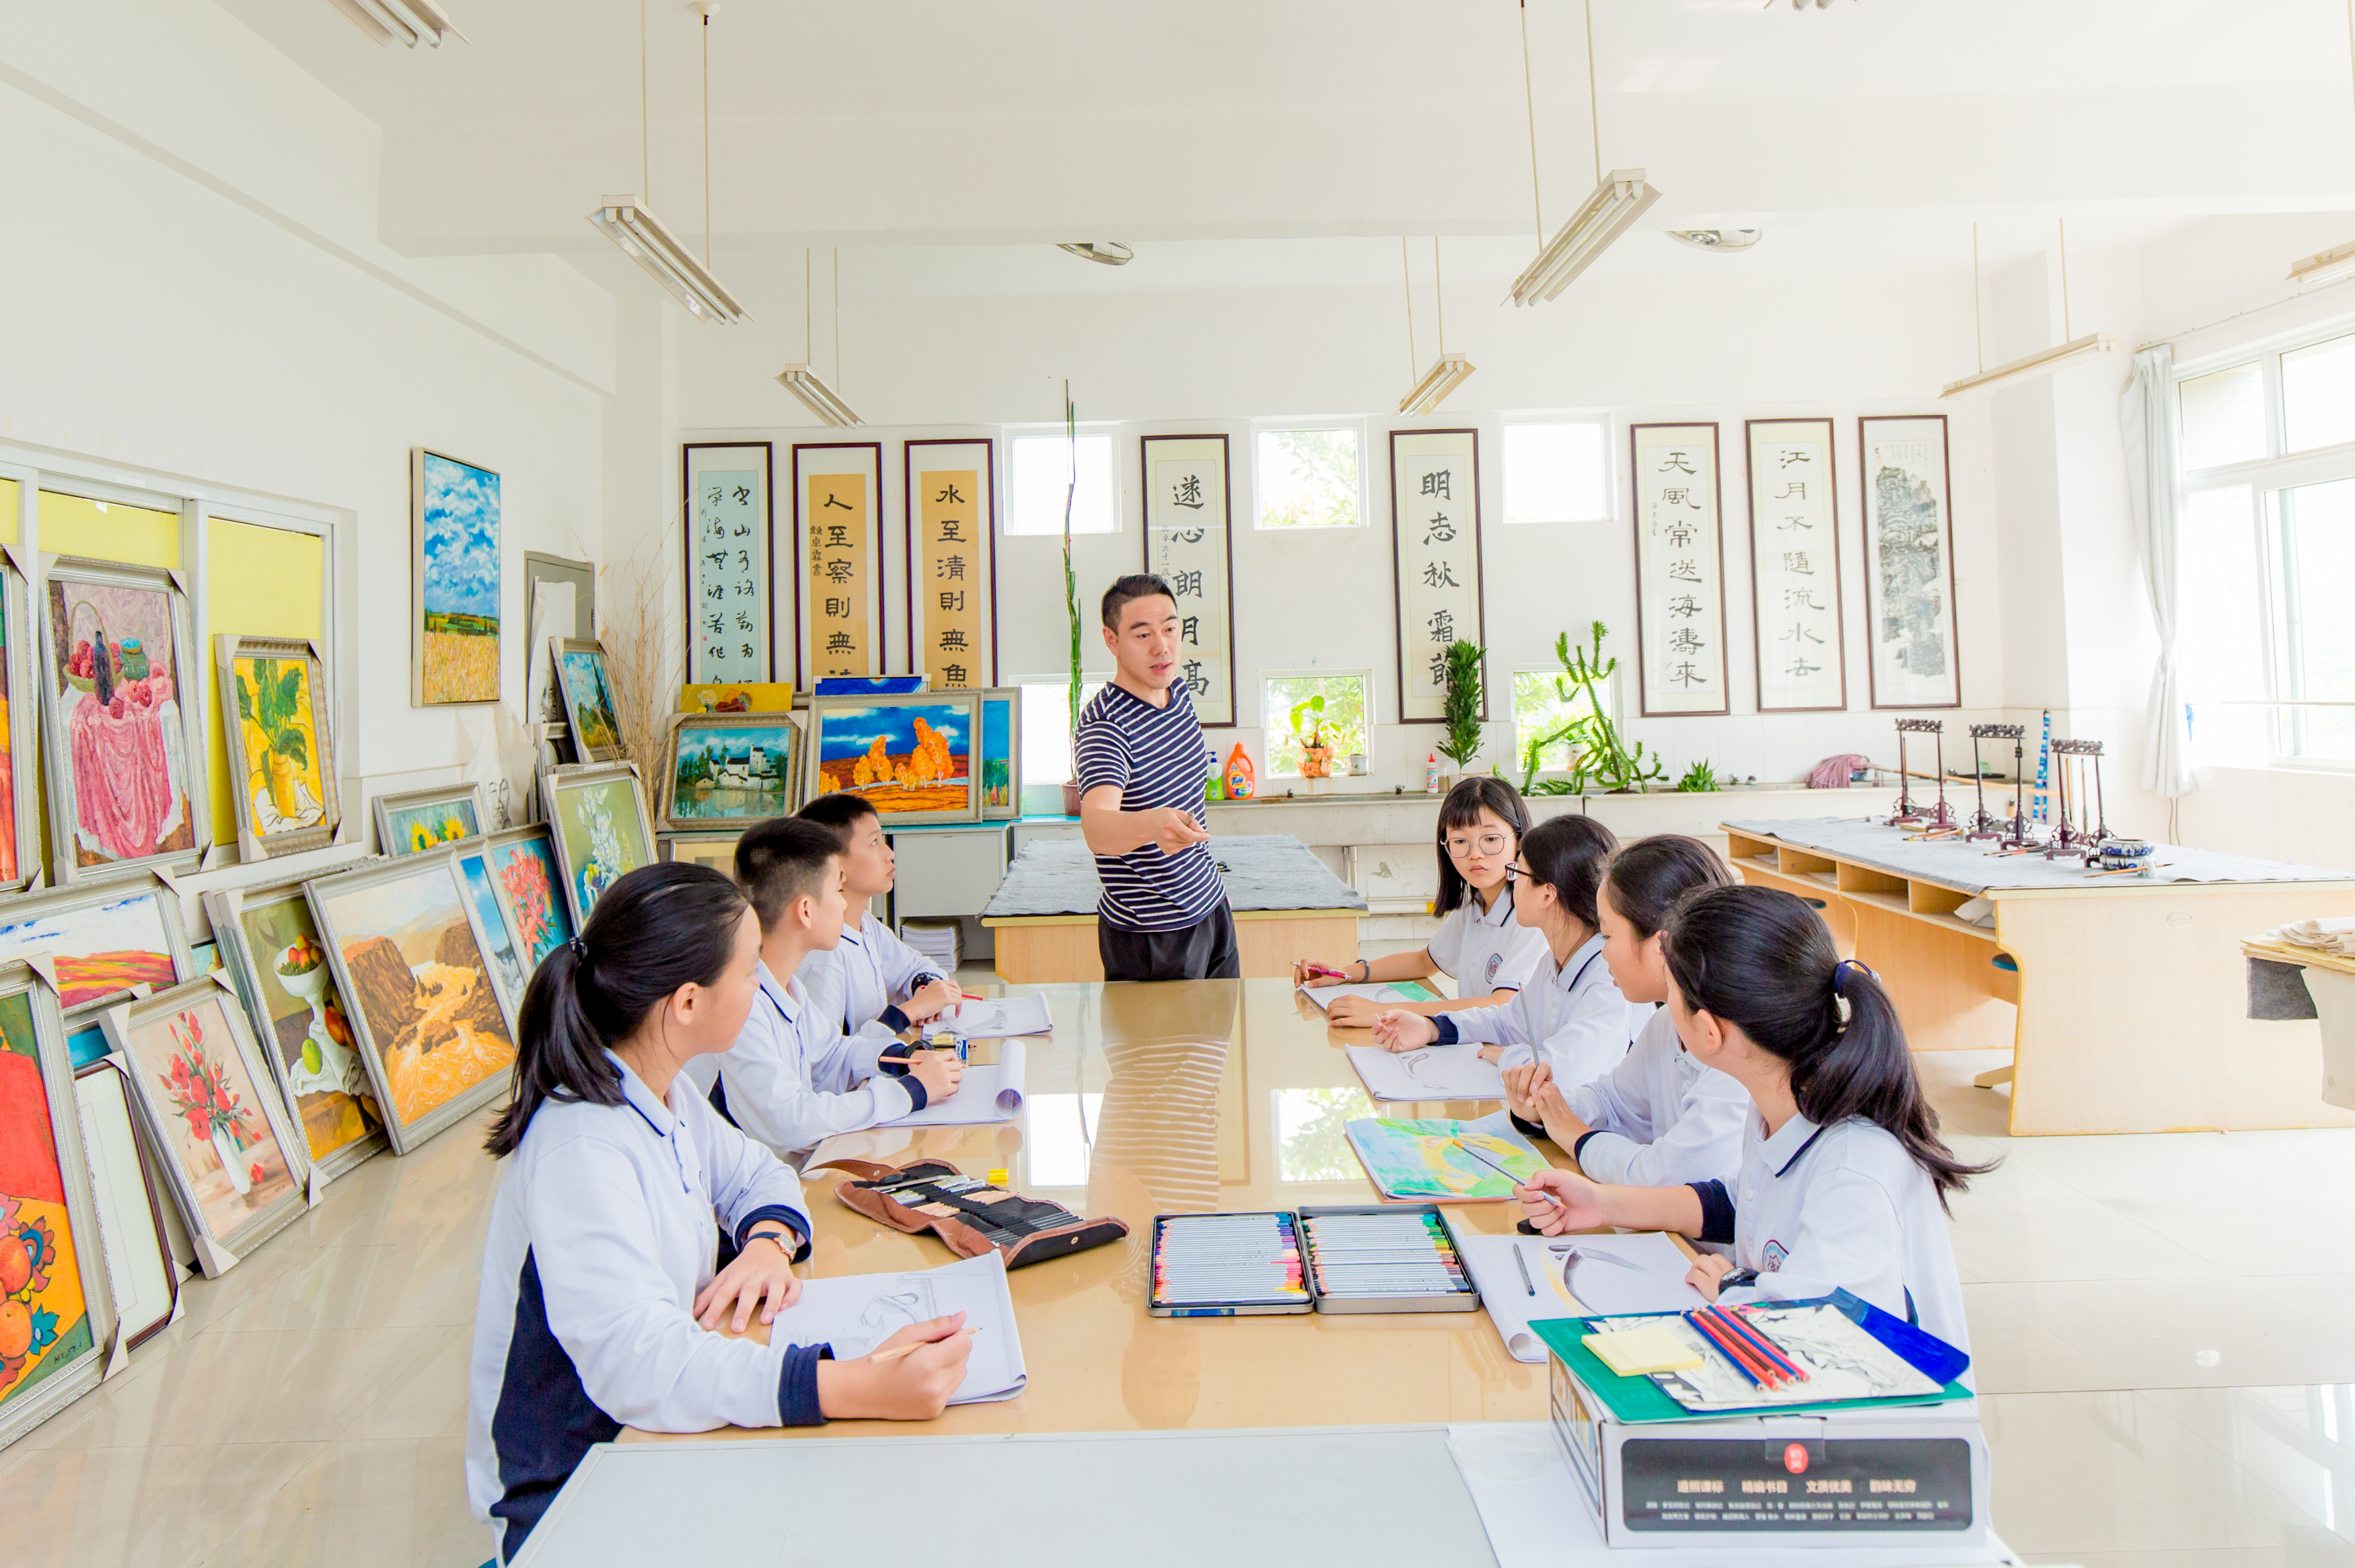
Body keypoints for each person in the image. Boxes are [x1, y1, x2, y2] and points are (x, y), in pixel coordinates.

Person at [466, 863, 970, 1563]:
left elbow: (758, 1173)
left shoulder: (655, 1093)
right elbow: (637, 1366)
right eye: (747, 973)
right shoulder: (581, 1145)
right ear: (686, 1004)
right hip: (572, 1490)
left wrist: (766, 1242)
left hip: (645, 1433)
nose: (759, 988)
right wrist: (850, 1385)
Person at [1511, 884, 1988, 1360]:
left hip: (1879, 1420)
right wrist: (1603, 1204)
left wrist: (1741, 1287)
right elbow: (1741, 1201)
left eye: (1672, 988)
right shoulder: (1781, 1103)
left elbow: (1820, 1340)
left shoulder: (1853, 1167)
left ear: (1709, 1030)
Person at [714, 817, 962, 1162]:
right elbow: (792, 1121)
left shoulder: (787, 985)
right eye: (837, 891)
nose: (844, 904)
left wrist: (901, 1060)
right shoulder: (744, 1008)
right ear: (805, 910)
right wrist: (910, 1092)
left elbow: (832, 1054)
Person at [1515, 835, 1747, 1186]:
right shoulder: (1668, 1022)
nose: (1603, 953)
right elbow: (1613, 1103)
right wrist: (1544, 1108)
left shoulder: (1738, 1050)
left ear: (1661, 946)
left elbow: (1668, 1176)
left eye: (1607, 936)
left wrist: (1579, 1139)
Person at [1369, 816, 1640, 1089]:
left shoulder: (1609, 978)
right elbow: (1509, 1021)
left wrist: (1508, 1056)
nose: (1511, 883)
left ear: (1546, 895)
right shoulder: (1555, 961)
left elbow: (1561, 1074)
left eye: (1517, 873)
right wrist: (1432, 1028)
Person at [1075, 574, 1231, 982]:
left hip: (1210, 906)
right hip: (1152, 935)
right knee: (1161, 1048)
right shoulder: (1105, 725)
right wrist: (1153, 823)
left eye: (1170, 629)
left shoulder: (1177, 693)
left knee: (1218, 1043)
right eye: (1142, 634)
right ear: (1112, 641)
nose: (1162, 646)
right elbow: (1097, 828)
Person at [1293, 776, 1545, 1025]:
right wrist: (1344, 973)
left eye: (1490, 839)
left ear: (1520, 839)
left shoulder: (1532, 914)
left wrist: (1384, 1011)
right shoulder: (1477, 903)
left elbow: (1502, 1004)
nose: (1475, 854)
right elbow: (1424, 962)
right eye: (1459, 841)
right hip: (1480, 1046)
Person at [796, 791, 964, 1041]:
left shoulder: (866, 925)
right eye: (874, 843)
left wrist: (925, 988)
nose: (889, 854)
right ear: (834, 864)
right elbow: (823, 1065)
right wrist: (911, 1011)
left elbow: (916, 966)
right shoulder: (821, 956)